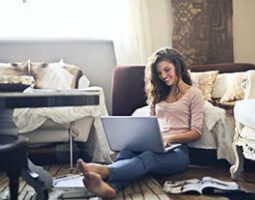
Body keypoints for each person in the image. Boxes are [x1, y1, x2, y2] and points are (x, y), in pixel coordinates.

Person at [77, 47, 205, 198]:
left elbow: (196, 132)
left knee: (147, 158)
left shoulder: (194, 94)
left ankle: (105, 171)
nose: (163, 76)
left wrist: (169, 139)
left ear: (177, 66)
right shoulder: (159, 94)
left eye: (167, 70)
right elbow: (150, 124)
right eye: (159, 73)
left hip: (177, 152)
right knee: (127, 152)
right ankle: (110, 189)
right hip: (155, 145)